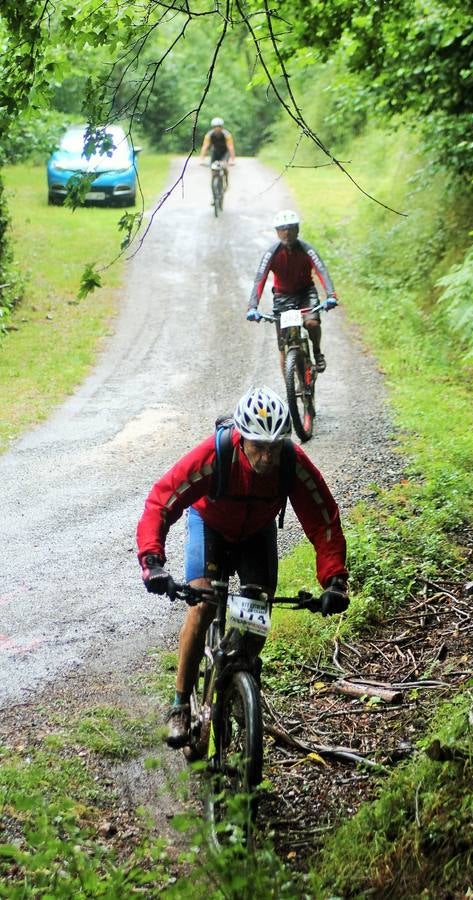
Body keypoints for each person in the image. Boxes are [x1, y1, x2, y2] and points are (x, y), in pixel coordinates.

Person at [136, 386, 349, 748]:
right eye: (258, 447)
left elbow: (323, 517)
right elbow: (162, 501)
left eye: (274, 447)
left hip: (256, 532)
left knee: (256, 609)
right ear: (241, 439)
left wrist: (334, 580)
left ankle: (239, 680)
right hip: (210, 526)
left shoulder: (291, 463)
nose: (267, 457)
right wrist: (152, 561)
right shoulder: (215, 455)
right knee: (203, 604)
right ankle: (179, 706)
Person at [246, 210, 339, 373]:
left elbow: (321, 270)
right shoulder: (271, 254)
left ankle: (317, 352)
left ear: (297, 230)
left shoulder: (307, 249)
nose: (287, 232)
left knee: (311, 323)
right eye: (282, 229)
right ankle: (290, 390)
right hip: (282, 297)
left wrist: (331, 295)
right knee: (283, 346)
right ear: (277, 232)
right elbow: (259, 280)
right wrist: (252, 307)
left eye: (291, 228)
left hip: (305, 294)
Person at [199, 117, 236, 186]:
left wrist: (232, 160)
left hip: (225, 152)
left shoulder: (227, 135)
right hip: (215, 152)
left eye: (219, 126)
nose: (217, 128)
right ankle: (213, 183)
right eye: (215, 127)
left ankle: (226, 180)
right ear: (213, 127)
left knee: (224, 166)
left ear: (222, 127)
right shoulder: (209, 135)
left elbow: (230, 147)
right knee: (213, 168)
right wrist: (201, 159)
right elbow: (205, 147)